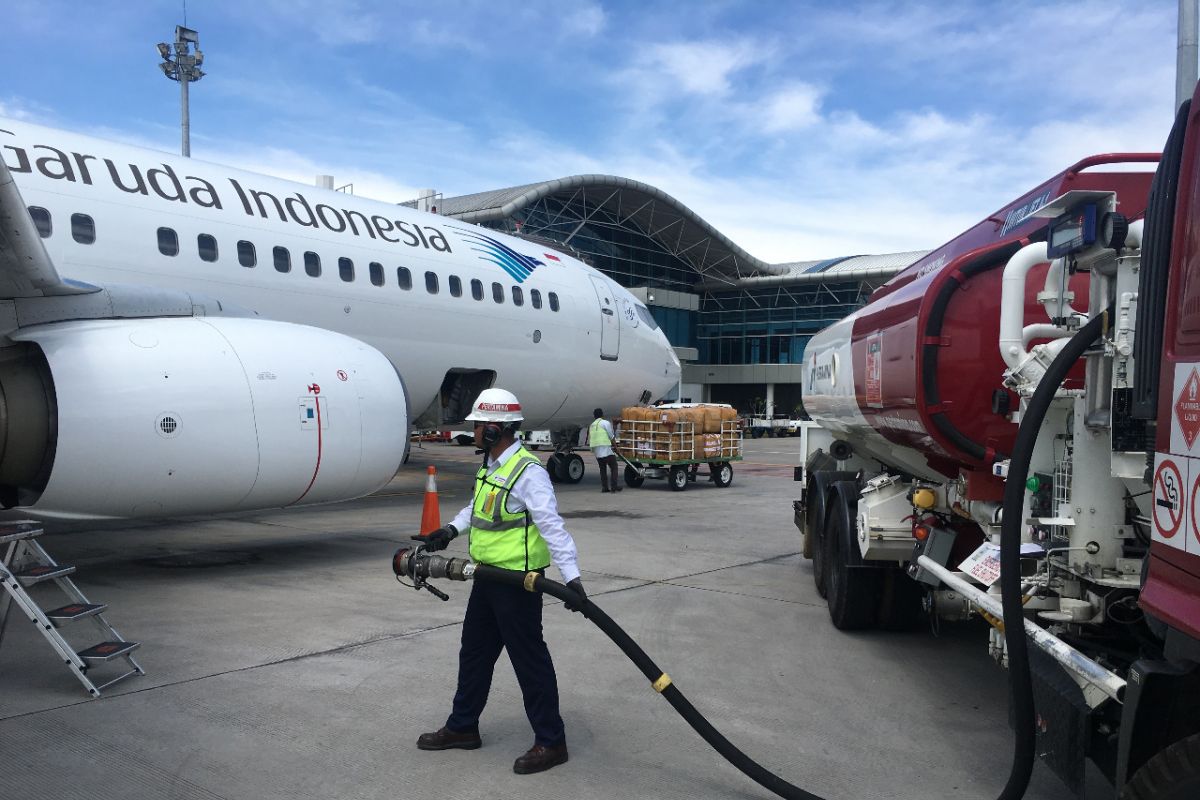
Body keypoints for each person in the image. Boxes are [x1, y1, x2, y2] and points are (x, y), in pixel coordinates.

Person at [415, 388, 586, 775]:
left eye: (477, 425)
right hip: (486, 579)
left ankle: (552, 741)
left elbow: (552, 528)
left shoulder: (528, 472)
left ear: (494, 430)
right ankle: (462, 728)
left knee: (529, 661)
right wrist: (449, 530)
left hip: (519, 583)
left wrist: (572, 580)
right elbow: (477, 508)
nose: (473, 431)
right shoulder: (491, 466)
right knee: (474, 654)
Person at [588, 407, 621, 493]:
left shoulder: (592, 425)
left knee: (603, 470)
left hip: (597, 451)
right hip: (605, 449)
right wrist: (616, 448)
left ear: (594, 416)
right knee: (614, 467)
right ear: (602, 415)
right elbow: (611, 436)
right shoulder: (605, 423)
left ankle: (604, 487)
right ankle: (614, 487)